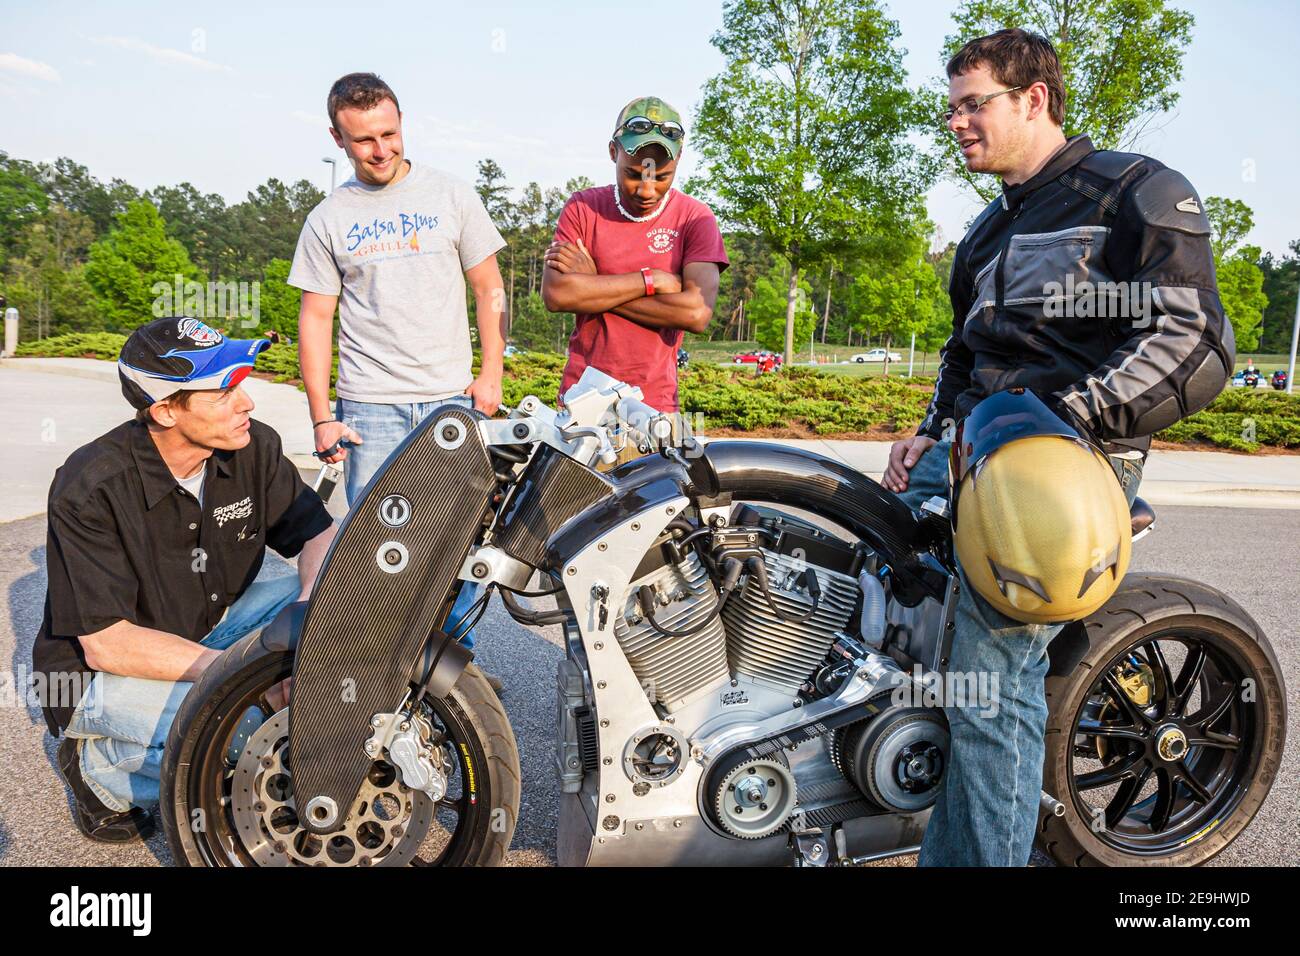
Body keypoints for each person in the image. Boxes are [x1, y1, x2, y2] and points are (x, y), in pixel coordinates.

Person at [881, 29, 1233, 866]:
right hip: (967, 449)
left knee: (990, 688)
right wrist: (929, 428)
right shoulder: (983, 230)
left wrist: (1062, 420)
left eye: (975, 104)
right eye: (953, 107)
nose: (957, 122)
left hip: (1059, 466)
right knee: (864, 597)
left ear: (1033, 98)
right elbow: (964, 351)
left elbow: (1193, 338)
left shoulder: (1133, 191)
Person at [31, 317, 337, 842]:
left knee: (335, 599)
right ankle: (100, 771)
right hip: (103, 674)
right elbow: (108, 645)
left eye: (240, 383)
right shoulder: (89, 486)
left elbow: (319, 536)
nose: (247, 403)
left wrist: (308, 621)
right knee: (249, 731)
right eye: (222, 392)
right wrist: (255, 681)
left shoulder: (251, 445)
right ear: (165, 410)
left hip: (207, 629)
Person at [289, 72, 507, 658]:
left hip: (451, 401)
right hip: (370, 407)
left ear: (402, 123)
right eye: (364, 140)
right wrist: (320, 417)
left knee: (455, 550)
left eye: (389, 133)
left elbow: (489, 288)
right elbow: (316, 319)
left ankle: (449, 677)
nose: (381, 150)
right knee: (379, 556)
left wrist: (492, 375)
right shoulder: (328, 218)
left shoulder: (452, 196)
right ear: (337, 138)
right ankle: (378, 679)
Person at [542, 96, 728, 463]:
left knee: (654, 519)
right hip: (582, 407)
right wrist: (652, 279)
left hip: (656, 413)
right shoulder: (583, 208)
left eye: (662, 176)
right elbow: (559, 294)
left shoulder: (695, 218)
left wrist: (597, 283)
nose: (647, 189)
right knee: (570, 519)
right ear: (613, 152)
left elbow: (695, 313)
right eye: (633, 174)